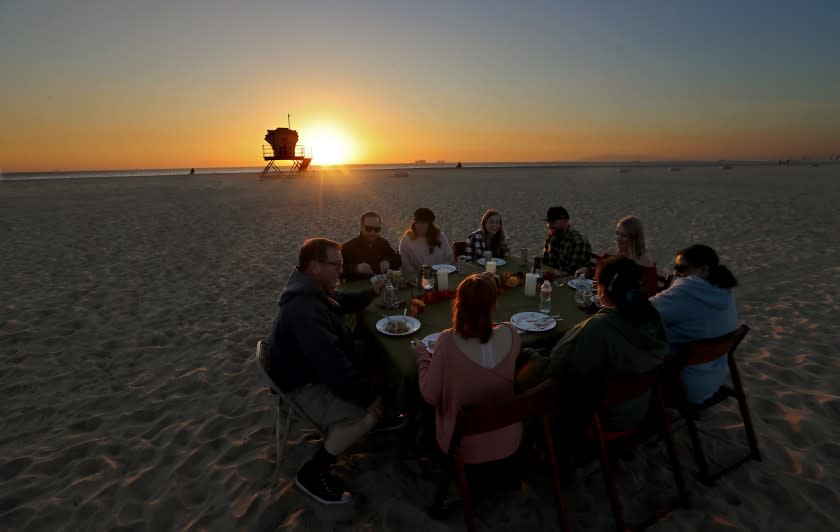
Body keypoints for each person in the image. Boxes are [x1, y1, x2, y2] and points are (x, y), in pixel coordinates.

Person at [265, 238, 404, 505]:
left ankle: (381, 414)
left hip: (310, 372)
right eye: (336, 265)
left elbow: (340, 300)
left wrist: (370, 293)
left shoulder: (313, 289)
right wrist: (369, 399)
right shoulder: (304, 308)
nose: (341, 270)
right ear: (315, 266)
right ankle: (312, 473)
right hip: (303, 385)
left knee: (377, 358)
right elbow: (334, 370)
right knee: (364, 416)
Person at [518, 257, 668, 432]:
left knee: (524, 358)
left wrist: (528, 354)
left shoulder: (599, 328)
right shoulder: (653, 318)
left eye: (596, 283)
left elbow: (555, 368)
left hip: (600, 419)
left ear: (603, 291)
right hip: (635, 411)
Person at [415, 274, 522, 464]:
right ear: (492, 305)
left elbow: (430, 396)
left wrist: (422, 357)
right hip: (509, 438)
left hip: (464, 447)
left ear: (459, 305)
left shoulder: (447, 341)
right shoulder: (512, 333)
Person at [649, 245, 739, 404]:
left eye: (681, 269)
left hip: (683, 388)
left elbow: (641, 311)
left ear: (704, 269)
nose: (677, 275)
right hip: (712, 382)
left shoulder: (690, 288)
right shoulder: (724, 290)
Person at [576, 216, 659, 297]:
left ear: (635, 238)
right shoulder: (612, 255)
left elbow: (647, 299)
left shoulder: (646, 267)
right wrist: (587, 271)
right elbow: (597, 277)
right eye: (617, 233)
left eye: (623, 235)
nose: (617, 238)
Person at [341, 210, 402, 281]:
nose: (372, 232)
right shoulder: (348, 247)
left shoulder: (383, 243)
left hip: (382, 286)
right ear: (361, 227)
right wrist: (356, 268)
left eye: (377, 229)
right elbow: (336, 269)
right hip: (358, 288)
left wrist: (388, 262)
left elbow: (397, 259)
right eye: (368, 229)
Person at [399, 207, 453, 277]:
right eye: (417, 222)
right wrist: (421, 276)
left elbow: (448, 258)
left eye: (424, 223)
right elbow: (406, 266)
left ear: (430, 225)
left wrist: (440, 272)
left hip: (442, 276)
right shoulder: (406, 240)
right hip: (419, 279)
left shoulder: (440, 236)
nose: (420, 226)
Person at [541, 206, 592, 275]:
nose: (549, 225)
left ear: (565, 221)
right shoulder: (552, 234)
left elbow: (573, 276)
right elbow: (546, 261)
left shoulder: (578, 242)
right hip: (551, 278)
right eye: (548, 221)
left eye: (553, 221)